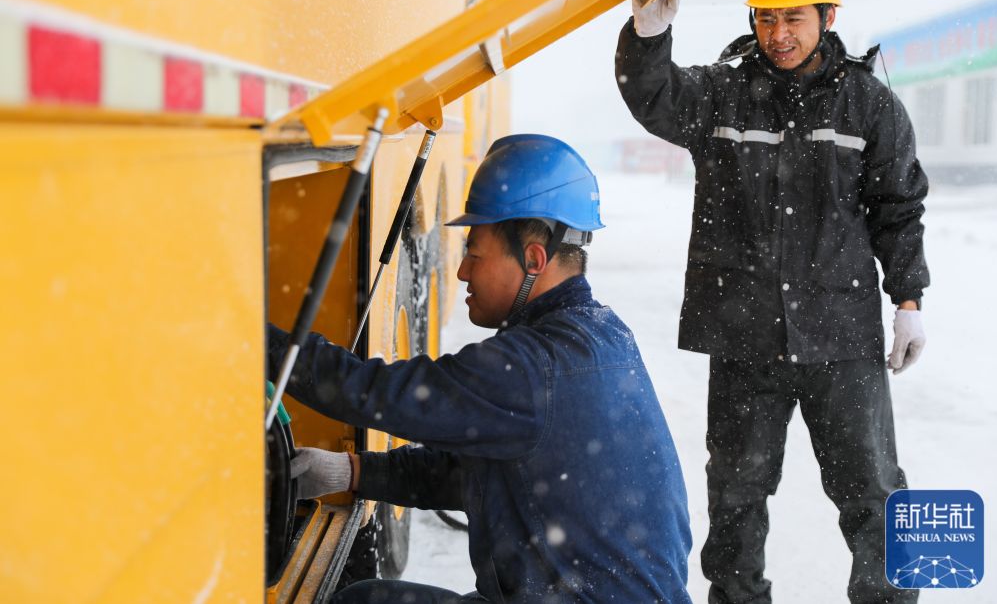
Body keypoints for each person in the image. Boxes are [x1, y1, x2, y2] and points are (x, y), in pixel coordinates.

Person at [615, 0, 928, 604]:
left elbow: (898, 208)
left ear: (827, 16)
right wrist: (649, 34)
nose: (778, 35)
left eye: (793, 19)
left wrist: (908, 298)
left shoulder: (869, 106)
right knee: (734, 497)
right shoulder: (722, 94)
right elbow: (654, 96)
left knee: (873, 492)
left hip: (840, 338)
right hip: (743, 337)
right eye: (764, 19)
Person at [267, 134, 693, 603]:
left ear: (534, 259)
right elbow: (489, 478)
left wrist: (254, 343)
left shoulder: (532, 368)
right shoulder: (602, 336)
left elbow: (373, 392)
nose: (462, 272)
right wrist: (351, 471)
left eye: (475, 253)